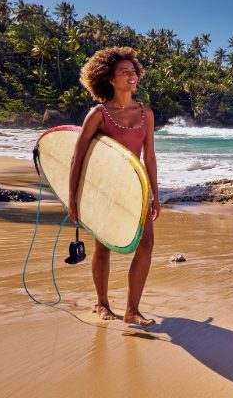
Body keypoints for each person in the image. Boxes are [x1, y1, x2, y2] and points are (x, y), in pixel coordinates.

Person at [68, 46, 160, 326]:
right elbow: (77, 156)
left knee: (146, 244)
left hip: (136, 188)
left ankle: (133, 310)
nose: (131, 76)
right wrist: (73, 199)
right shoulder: (99, 114)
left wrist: (155, 194)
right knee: (104, 247)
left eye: (133, 72)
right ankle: (102, 304)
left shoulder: (146, 114)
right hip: (106, 189)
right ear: (110, 78)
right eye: (124, 72)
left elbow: (150, 157)